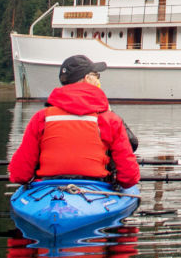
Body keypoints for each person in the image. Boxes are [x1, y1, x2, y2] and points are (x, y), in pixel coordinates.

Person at [8, 55, 140, 186]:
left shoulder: (42, 118)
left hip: (48, 187)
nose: (98, 80)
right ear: (88, 79)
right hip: (96, 189)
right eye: (97, 76)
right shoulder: (109, 119)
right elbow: (129, 177)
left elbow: (19, 174)